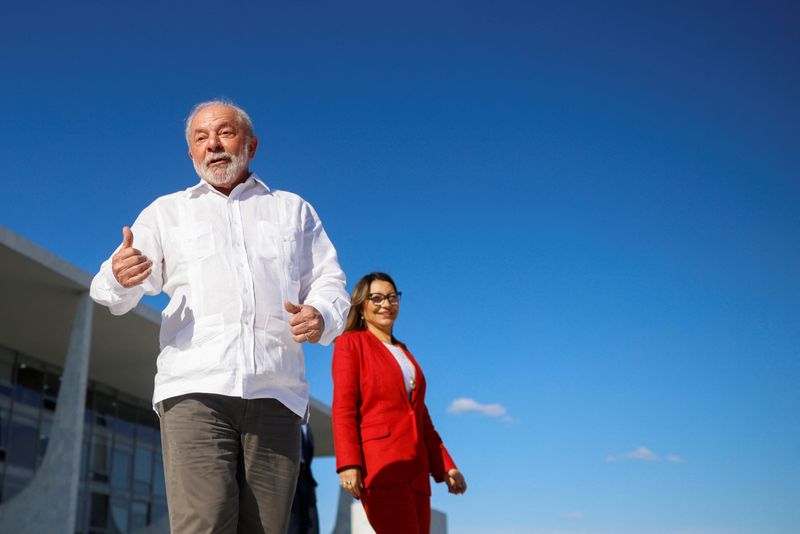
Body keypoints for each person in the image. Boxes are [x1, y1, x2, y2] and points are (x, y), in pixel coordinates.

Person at [89, 100, 350, 534]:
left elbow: (329, 282)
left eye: (225, 133)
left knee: (267, 529)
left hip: (276, 393)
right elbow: (110, 291)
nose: (213, 145)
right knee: (204, 524)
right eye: (200, 138)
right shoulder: (166, 213)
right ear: (190, 153)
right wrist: (119, 276)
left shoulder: (293, 210)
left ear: (251, 144)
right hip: (195, 390)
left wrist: (321, 314)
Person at [331, 272, 467, 534]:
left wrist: (447, 466)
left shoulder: (404, 353)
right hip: (381, 467)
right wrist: (349, 463)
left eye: (392, 297)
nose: (386, 304)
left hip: (417, 473)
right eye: (377, 298)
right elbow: (344, 407)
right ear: (361, 305)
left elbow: (421, 418)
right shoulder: (351, 343)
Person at [287, 424, 320, 534]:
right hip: (288, 476)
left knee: (312, 524)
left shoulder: (306, 426)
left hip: (305, 478)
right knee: (292, 524)